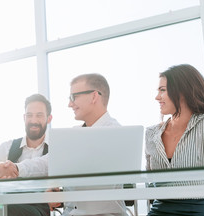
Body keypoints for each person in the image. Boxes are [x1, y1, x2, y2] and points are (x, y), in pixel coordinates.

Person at [8, 74, 128, 215]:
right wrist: (16, 167)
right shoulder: (75, 134)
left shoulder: (115, 133)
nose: (70, 104)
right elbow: (49, 162)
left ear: (94, 96)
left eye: (74, 97)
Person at [145, 64, 204, 216]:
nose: (157, 97)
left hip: (195, 210)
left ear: (182, 91)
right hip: (159, 210)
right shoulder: (151, 133)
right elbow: (149, 181)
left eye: (162, 90)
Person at [0, 94, 53, 216]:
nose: (33, 120)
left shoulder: (56, 150)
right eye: (29, 115)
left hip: (38, 211)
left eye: (39, 115)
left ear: (49, 118)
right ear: (24, 117)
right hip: (7, 208)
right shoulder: (5, 149)